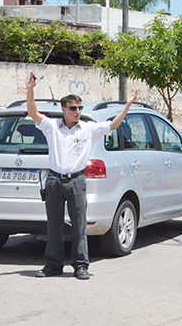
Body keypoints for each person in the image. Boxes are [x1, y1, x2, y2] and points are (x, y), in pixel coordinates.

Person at [26, 71, 137, 280]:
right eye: (73, 108)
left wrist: (128, 104)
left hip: (76, 181)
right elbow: (32, 111)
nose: (77, 112)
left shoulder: (88, 129)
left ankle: (80, 265)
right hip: (54, 180)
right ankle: (53, 264)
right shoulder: (52, 127)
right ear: (64, 109)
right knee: (54, 225)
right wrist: (30, 88)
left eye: (79, 108)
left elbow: (113, 124)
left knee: (79, 225)